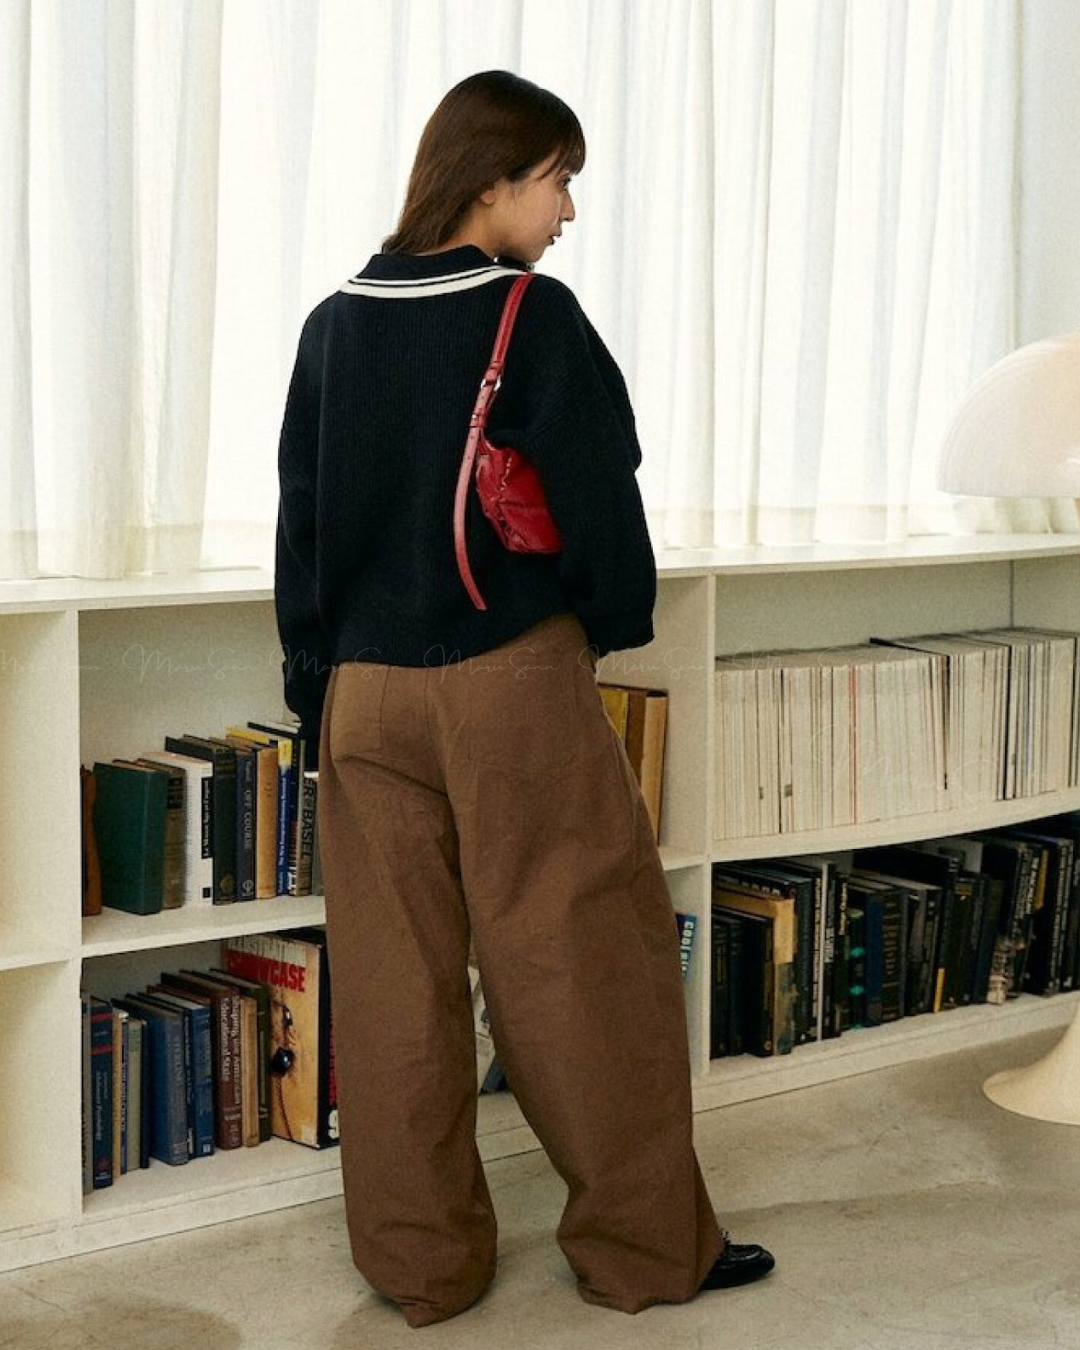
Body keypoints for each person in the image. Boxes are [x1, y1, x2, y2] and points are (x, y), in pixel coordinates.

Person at [274, 69, 774, 1329]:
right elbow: (602, 489)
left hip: (361, 697)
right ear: (490, 179)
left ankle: (422, 1270)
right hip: (507, 680)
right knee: (580, 962)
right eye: (558, 181)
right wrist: (602, 626)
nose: (566, 211)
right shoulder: (528, 314)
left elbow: (303, 530)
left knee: (392, 984)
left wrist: (317, 683)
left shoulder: (333, 323)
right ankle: (644, 1253)